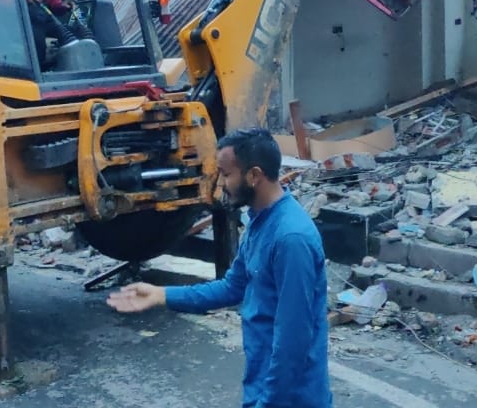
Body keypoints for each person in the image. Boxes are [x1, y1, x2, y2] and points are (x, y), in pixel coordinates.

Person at [107, 128, 332, 408]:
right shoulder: (260, 221)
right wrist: (161, 295)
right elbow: (231, 287)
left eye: (226, 174)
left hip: (291, 399)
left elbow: (293, 343)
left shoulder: (290, 240)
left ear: (254, 176)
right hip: (263, 388)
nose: (221, 183)